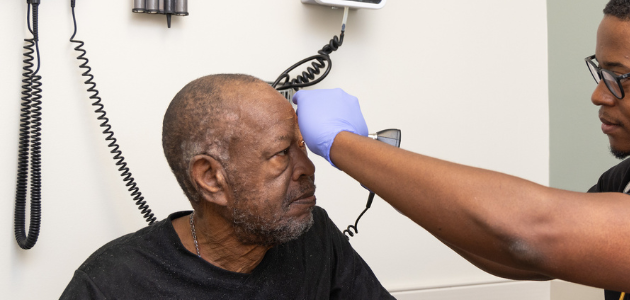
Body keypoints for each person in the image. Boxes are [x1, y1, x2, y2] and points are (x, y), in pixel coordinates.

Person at [291, 0, 630, 299]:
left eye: (620, 77)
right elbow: (503, 250)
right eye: (599, 72)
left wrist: (347, 147)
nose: (599, 94)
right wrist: (383, 171)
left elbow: (529, 234)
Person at [60, 74, 394, 299]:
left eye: (302, 147)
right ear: (210, 179)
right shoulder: (111, 285)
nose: (307, 168)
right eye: (281, 153)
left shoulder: (315, 237)